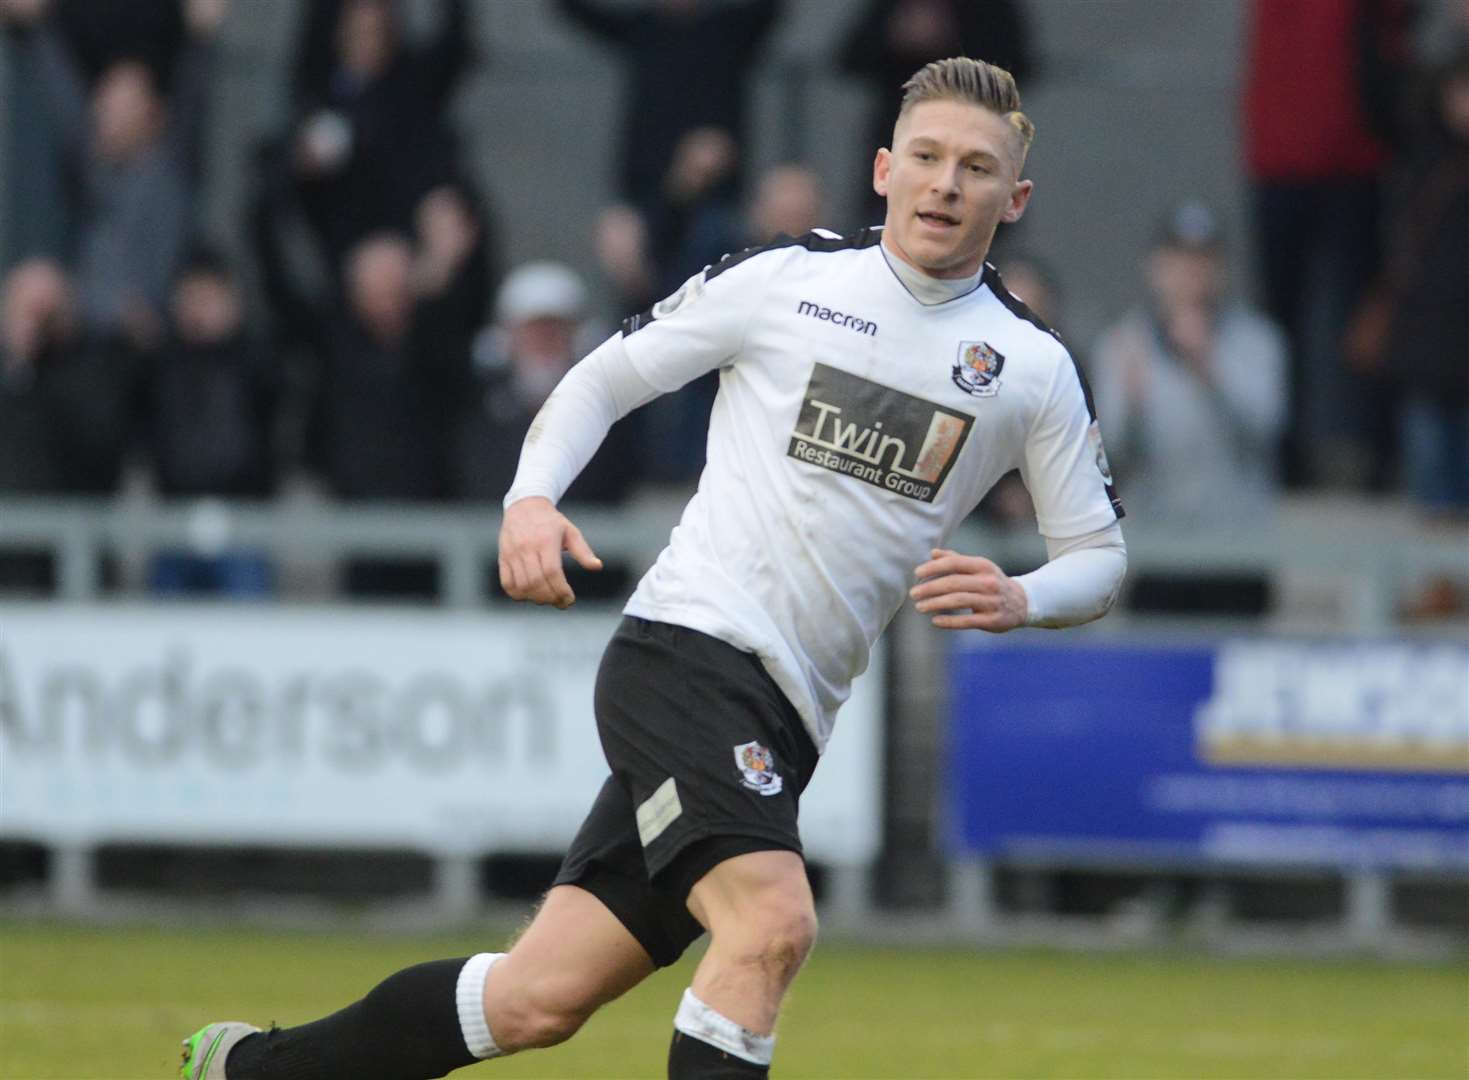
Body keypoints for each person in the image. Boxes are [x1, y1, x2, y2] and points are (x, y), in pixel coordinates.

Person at [181, 57, 1127, 1080]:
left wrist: (1021, 595)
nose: (946, 184)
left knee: (533, 1000)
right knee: (770, 925)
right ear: (883, 169)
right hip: (685, 652)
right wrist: (530, 500)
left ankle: (251, 1071)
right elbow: (602, 379)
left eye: (976, 168)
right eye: (929, 159)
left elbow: (1098, 556)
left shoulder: (1025, 368)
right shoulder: (785, 283)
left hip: (787, 715)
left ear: (1014, 198)